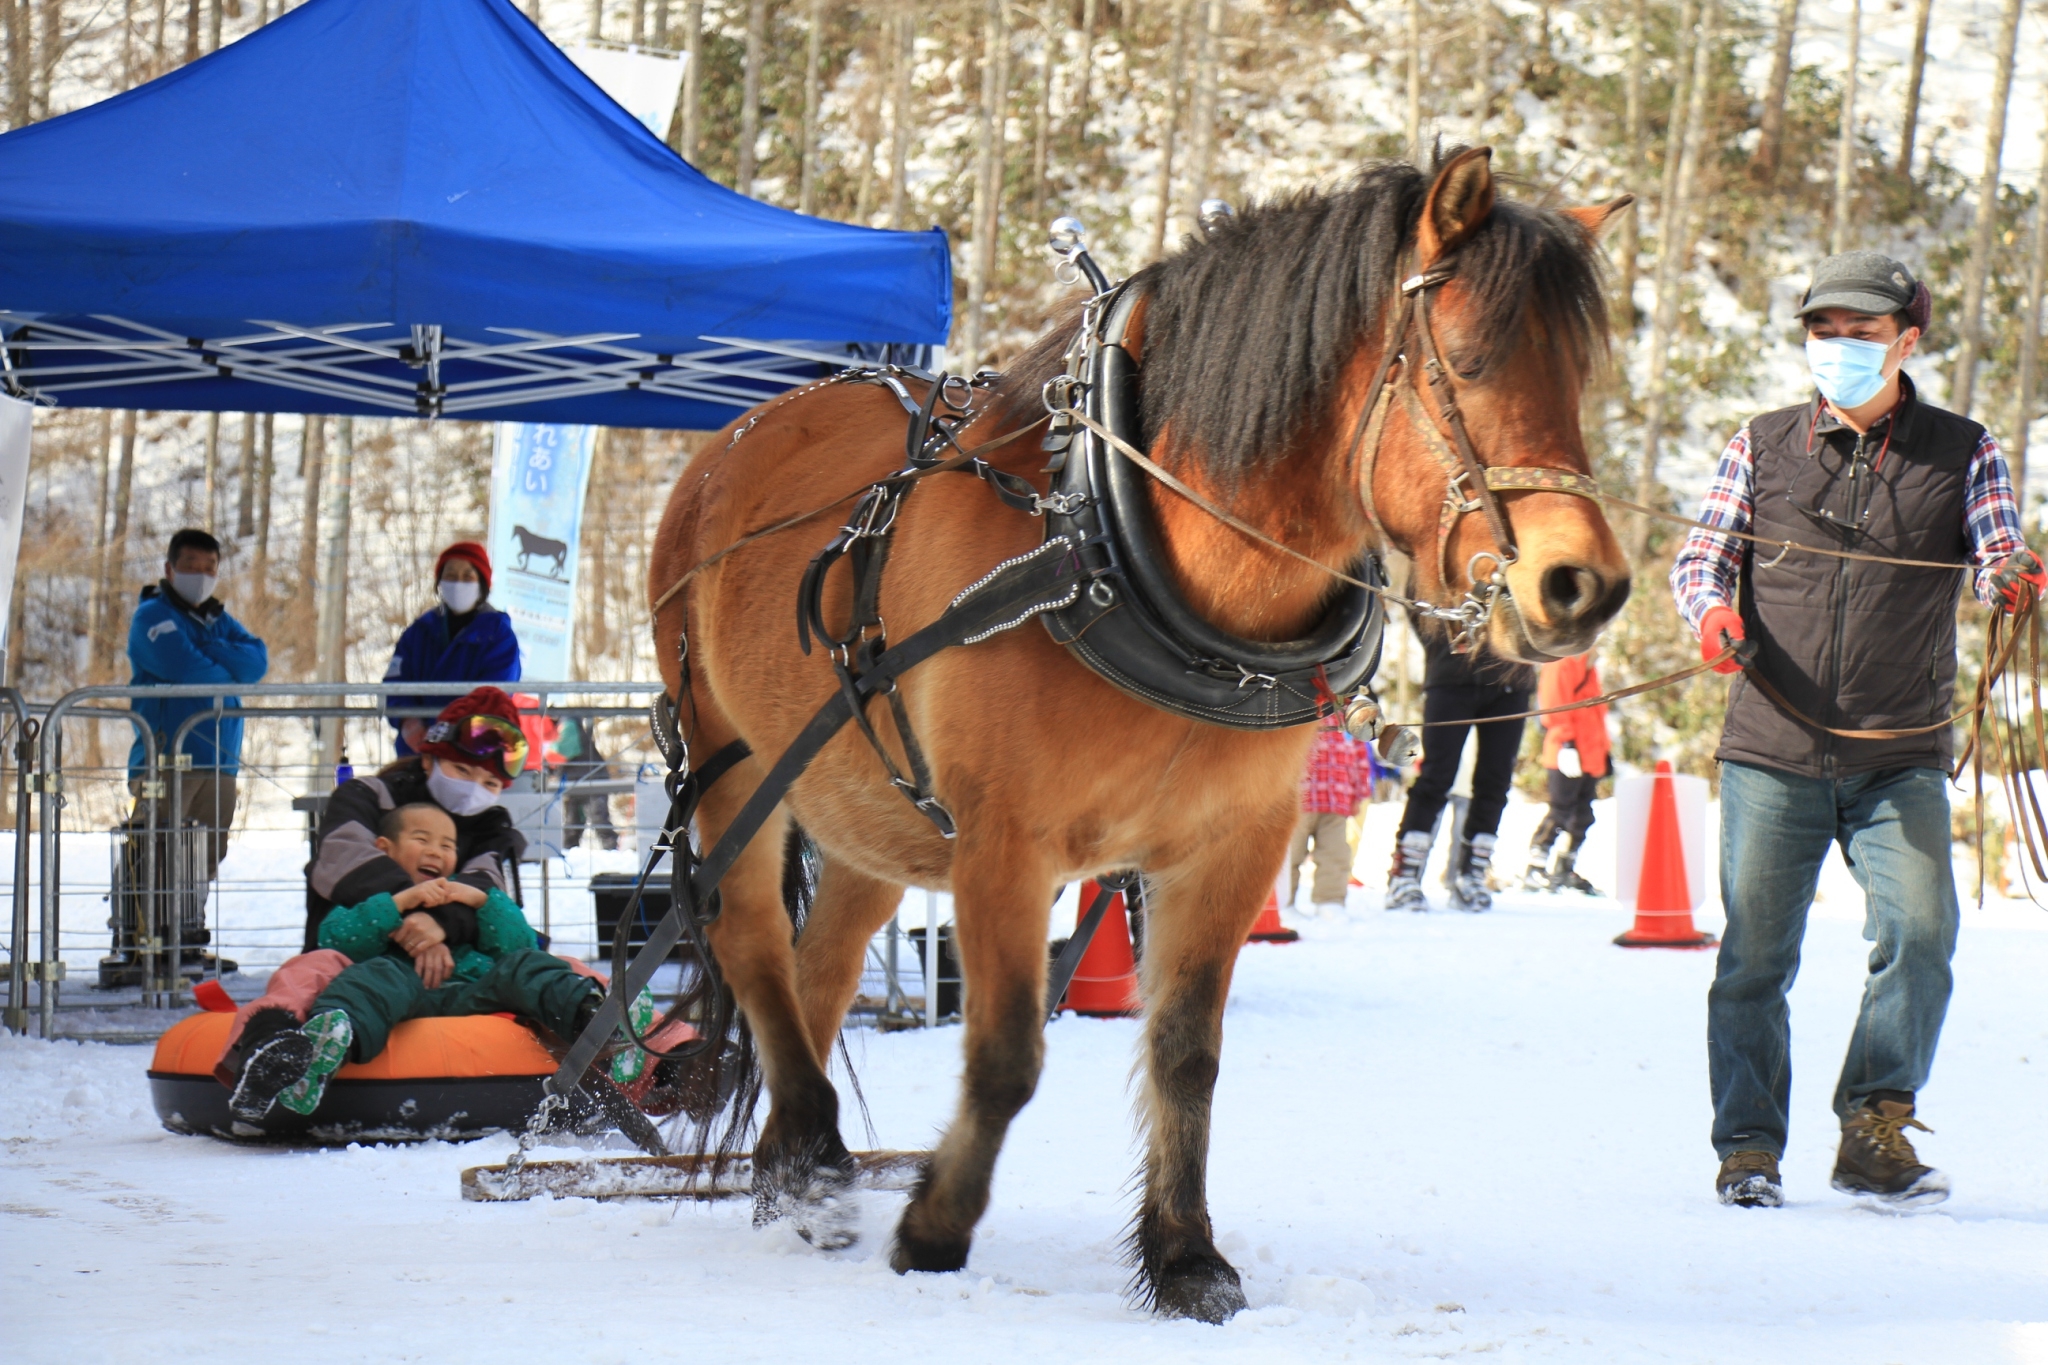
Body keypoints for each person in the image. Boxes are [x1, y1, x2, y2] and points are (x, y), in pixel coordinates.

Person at [1670, 250, 2041, 1211]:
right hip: (1771, 746)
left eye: (1862, 332)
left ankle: (1873, 1123)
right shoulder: (1760, 443)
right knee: (1754, 957)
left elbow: (1998, 547)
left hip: (1899, 751)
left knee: (1922, 932)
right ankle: (1748, 1148)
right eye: (1822, 330)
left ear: (1908, 340)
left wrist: (2010, 576)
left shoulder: (1965, 451)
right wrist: (1709, 613)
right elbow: (1702, 557)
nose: (1837, 347)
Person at [231, 802, 653, 1121]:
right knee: (368, 979)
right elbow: (337, 938)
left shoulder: (467, 900)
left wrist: (482, 900)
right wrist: (400, 904)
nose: (436, 851)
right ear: (385, 849)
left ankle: (597, 1024)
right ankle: (329, 1045)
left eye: (447, 845)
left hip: (475, 986)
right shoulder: (374, 902)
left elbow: (520, 944)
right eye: (422, 839)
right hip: (401, 984)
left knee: (528, 967)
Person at [303, 687, 528, 953]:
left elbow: (488, 891)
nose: (472, 789)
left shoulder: (492, 830)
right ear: (428, 760)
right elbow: (346, 860)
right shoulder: (369, 796)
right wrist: (417, 914)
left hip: (454, 972)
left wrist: (441, 924)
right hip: (350, 958)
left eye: (490, 783)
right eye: (462, 770)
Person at [127, 528, 269, 891]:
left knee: (205, 858)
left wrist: (205, 645)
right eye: (191, 565)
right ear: (170, 569)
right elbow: (185, 669)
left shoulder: (217, 619)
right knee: (153, 854)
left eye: (210, 567)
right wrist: (226, 663)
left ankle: (188, 935)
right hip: (168, 760)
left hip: (220, 760)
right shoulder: (152, 615)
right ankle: (142, 940)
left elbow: (256, 663)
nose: (201, 575)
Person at [1385, 628, 1535, 913]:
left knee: (1496, 780)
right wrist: (1444, 646)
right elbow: (1419, 601)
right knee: (1436, 776)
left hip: (1511, 678)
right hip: (1452, 676)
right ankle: (1404, 874)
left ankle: (1472, 873)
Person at [384, 542, 520, 756]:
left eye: (468, 576)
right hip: (416, 753)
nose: (458, 583)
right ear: (439, 582)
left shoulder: (499, 636)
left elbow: (496, 695)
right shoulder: (419, 632)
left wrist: (453, 733)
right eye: (451, 575)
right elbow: (394, 684)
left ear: (482, 584)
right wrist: (408, 721)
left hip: (471, 753)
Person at [1521, 650, 1610, 894]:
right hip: (1568, 750)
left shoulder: (1587, 664)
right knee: (1560, 811)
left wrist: (1604, 751)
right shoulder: (1563, 661)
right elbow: (1553, 703)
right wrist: (1566, 743)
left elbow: (1595, 711)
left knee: (1583, 815)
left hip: (1589, 752)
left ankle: (1565, 867)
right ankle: (1535, 866)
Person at [1287, 716, 1370, 915]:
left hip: (1336, 801)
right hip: (1297, 802)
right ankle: (1283, 902)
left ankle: (1329, 901)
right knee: (1290, 854)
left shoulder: (1348, 716)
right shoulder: (1299, 710)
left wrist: (1358, 794)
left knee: (1335, 853)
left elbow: (1360, 758)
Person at [556, 715, 619, 851]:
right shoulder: (565, 724)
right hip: (576, 780)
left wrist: (545, 758)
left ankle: (611, 851)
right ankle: (569, 852)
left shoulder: (568, 724)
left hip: (591, 778)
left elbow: (564, 750)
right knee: (573, 821)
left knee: (598, 817)